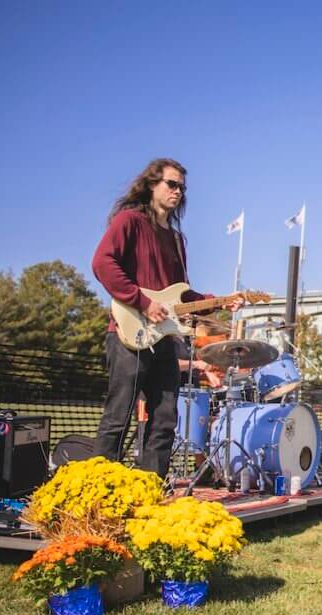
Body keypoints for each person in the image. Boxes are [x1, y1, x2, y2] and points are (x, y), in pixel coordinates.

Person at [91, 159, 242, 478]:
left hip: (164, 340)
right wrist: (143, 303)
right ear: (151, 185)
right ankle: (100, 491)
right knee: (119, 416)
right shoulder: (129, 221)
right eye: (171, 184)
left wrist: (217, 303)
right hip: (128, 333)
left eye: (182, 188)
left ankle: (151, 489)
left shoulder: (176, 239)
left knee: (165, 420)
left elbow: (181, 297)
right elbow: (103, 263)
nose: (178, 192)